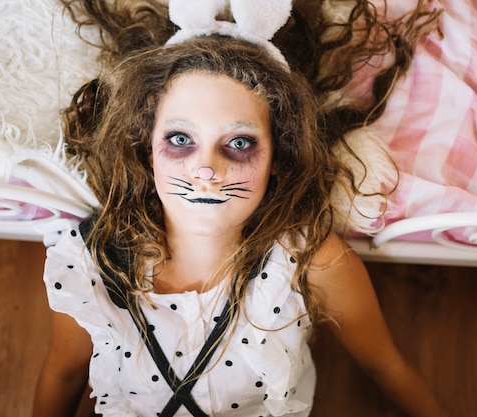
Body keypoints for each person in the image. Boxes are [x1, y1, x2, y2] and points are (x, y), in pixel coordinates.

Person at [33, 0, 447, 416]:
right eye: (180, 140)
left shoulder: (311, 263)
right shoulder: (95, 262)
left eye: (240, 143)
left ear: (278, 158)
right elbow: (63, 375)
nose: (207, 169)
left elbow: (385, 364)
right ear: (146, 150)